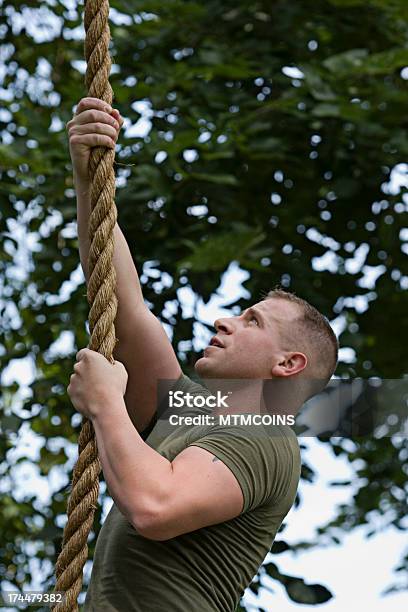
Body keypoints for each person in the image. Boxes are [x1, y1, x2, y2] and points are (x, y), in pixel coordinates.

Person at [66, 97, 339, 611]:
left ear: (287, 365)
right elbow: (125, 310)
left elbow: (154, 506)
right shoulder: (189, 409)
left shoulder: (264, 437)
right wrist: (89, 183)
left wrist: (106, 404)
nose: (223, 320)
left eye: (252, 320)